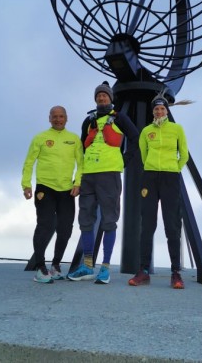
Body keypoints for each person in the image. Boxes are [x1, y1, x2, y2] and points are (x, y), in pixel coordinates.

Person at [68, 81, 139, 284]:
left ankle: (105, 268)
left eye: (105, 95)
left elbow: (135, 137)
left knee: (109, 221)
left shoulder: (120, 117)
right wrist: (78, 178)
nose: (101, 98)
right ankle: (88, 266)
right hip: (88, 175)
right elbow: (82, 149)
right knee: (85, 221)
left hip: (109, 174)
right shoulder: (88, 121)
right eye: (98, 95)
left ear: (110, 98)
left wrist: (125, 159)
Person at [128, 93, 189, 289]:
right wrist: (152, 169)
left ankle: (175, 272)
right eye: (156, 109)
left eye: (162, 108)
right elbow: (144, 155)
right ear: (153, 112)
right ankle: (143, 271)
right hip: (150, 177)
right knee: (147, 224)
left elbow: (184, 154)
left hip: (171, 176)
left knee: (172, 225)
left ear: (167, 110)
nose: (159, 111)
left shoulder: (177, 129)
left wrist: (174, 168)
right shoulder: (146, 131)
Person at [21, 106, 83, 284]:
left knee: (65, 229)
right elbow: (29, 162)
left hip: (66, 190)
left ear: (66, 118)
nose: (58, 119)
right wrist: (26, 185)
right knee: (45, 226)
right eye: (54, 117)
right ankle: (40, 267)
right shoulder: (40, 138)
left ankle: (55, 266)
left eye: (61, 116)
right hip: (45, 188)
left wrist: (78, 183)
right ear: (49, 118)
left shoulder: (73, 139)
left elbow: (81, 163)